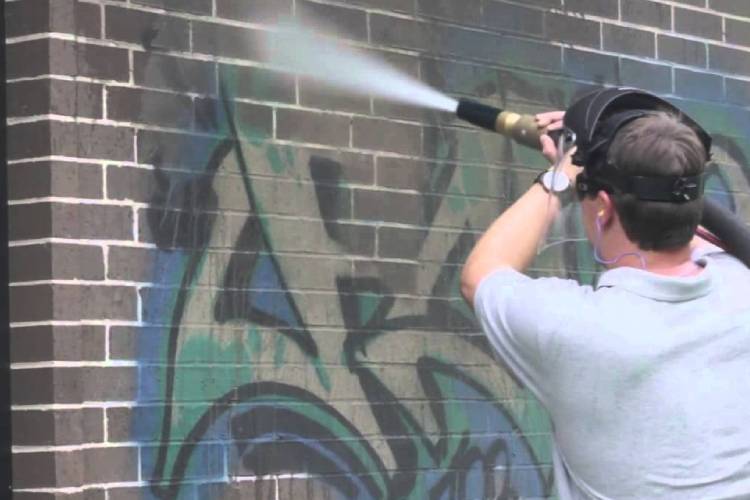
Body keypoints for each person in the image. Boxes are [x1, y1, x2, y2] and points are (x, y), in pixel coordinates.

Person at [460, 87, 750, 499]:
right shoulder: (740, 288)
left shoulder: (578, 329)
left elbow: (481, 273)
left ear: (604, 209)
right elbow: (706, 233)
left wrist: (564, 173)